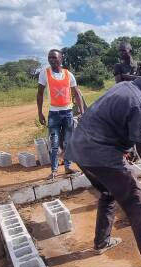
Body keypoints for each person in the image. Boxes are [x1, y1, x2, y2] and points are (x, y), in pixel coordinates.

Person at [66, 65, 141, 267]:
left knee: (109, 192)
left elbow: (113, 123)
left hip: (79, 149)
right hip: (99, 153)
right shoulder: (140, 106)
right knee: (136, 200)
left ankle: (102, 241)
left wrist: (125, 149)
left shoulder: (125, 87)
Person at [37, 49, 87, 179]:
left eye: (54, 57)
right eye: (50, 57)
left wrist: (82, 112)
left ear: (61, 59)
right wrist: (40, 113)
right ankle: (54, 170)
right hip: (53, 114)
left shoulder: (68, 74)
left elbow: (77, 94)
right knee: (54, 143)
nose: (51, 60)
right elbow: (40, 93)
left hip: (68, 113)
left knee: (68, 142)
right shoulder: (45, 73)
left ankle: (67, 167)